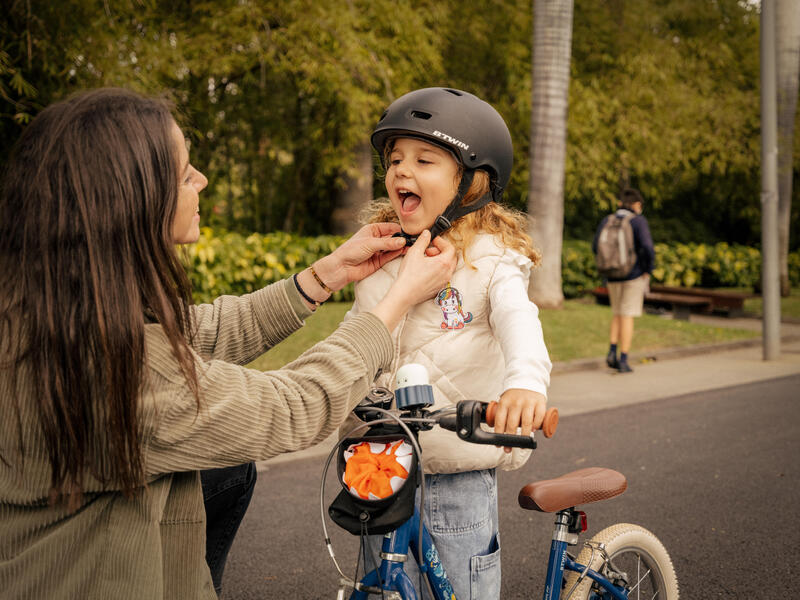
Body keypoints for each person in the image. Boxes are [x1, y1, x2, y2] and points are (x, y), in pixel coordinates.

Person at [0, 87, 457, 600]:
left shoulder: (50, 309)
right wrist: (394, 304)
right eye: (184, 173)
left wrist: (322, 277)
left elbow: (200, 332)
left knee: (230, 468)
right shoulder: (113, 372)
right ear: (131, 201)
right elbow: (294, 405)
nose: (202, 180)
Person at [343, 87, 552, 599]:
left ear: (472, 182)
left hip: (454, 461)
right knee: (378, 586)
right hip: (381, 457)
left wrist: (525, 385)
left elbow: (519, 320)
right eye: (394, 159)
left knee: (461, 585)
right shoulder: (381, 254)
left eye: (424, 159)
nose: (400, 171)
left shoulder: (491, 259)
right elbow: (355, 337)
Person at [592, 187, 655, 373]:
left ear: (621, 203)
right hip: (633, 275)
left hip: (612, 275)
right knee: (628, 315)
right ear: (637, 204)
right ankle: (624, 359)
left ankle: (612, 351)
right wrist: (646, 270)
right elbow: (647, 247)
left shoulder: (608, 220)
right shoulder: (638, 221)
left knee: (617, 313)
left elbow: (596, 246)